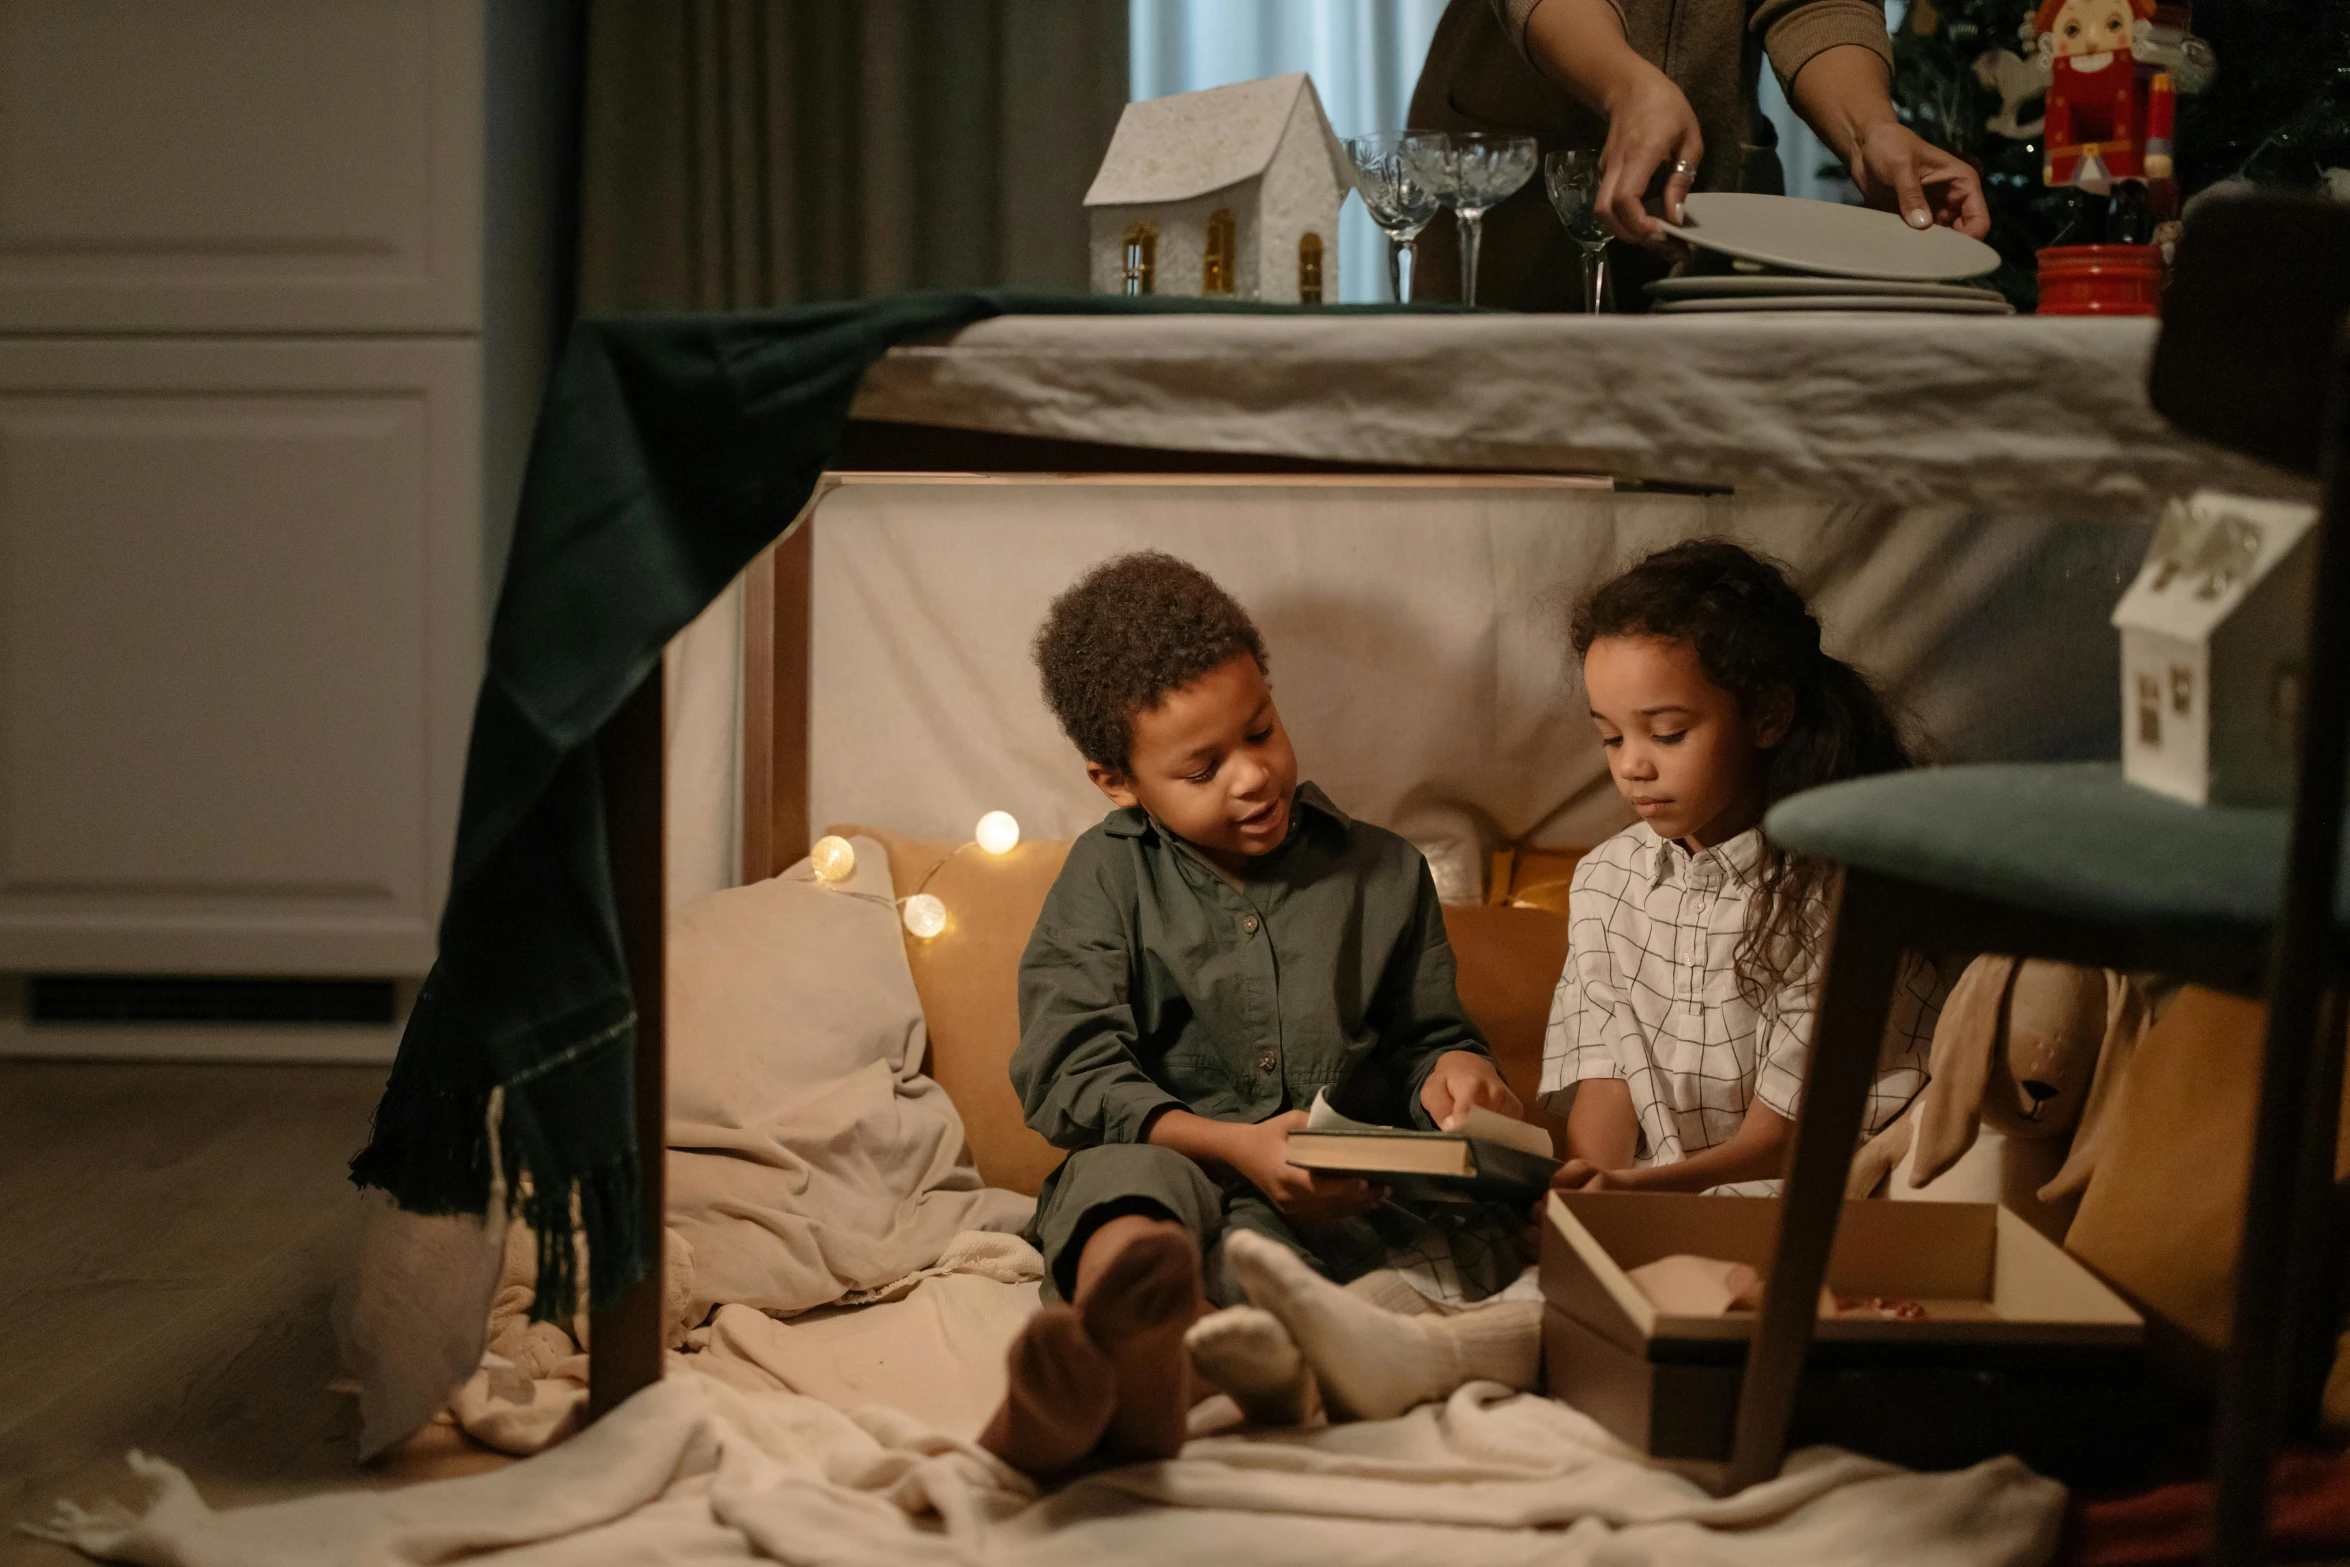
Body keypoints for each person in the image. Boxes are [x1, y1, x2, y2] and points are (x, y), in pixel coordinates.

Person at [977, 551, 1535, 1476]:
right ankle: (1126, 1321)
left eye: (1262, 731)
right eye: (1202, 768)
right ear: (1118, 781)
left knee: (1278, 1266)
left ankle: (1145, 1385)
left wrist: (1455, 1074)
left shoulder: (1385, 872)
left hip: (1325, 1200)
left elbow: (1427, 1035)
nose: (1252, 777)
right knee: (1124, 1180)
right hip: (1170, 1163)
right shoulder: (1106, 875)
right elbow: (1068, 1072)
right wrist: (1233, 1145)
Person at [1540, 539, 1944, 1193]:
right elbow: (1605, 1105)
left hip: (1812, 1211)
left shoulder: (1833, 891)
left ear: (1767, 715)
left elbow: (1780, 1143)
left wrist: (1634, 1197)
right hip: (1656, 1206)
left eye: (1667, 732)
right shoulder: (1605, 883)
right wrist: (1587, 1192)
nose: (1632, 765)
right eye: (1611, 737)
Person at [1408, 0, 1992, 307]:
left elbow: (1818, 3)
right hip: (1526, 193)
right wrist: (1627, 85)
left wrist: (1870, 130)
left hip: (1709, 199)